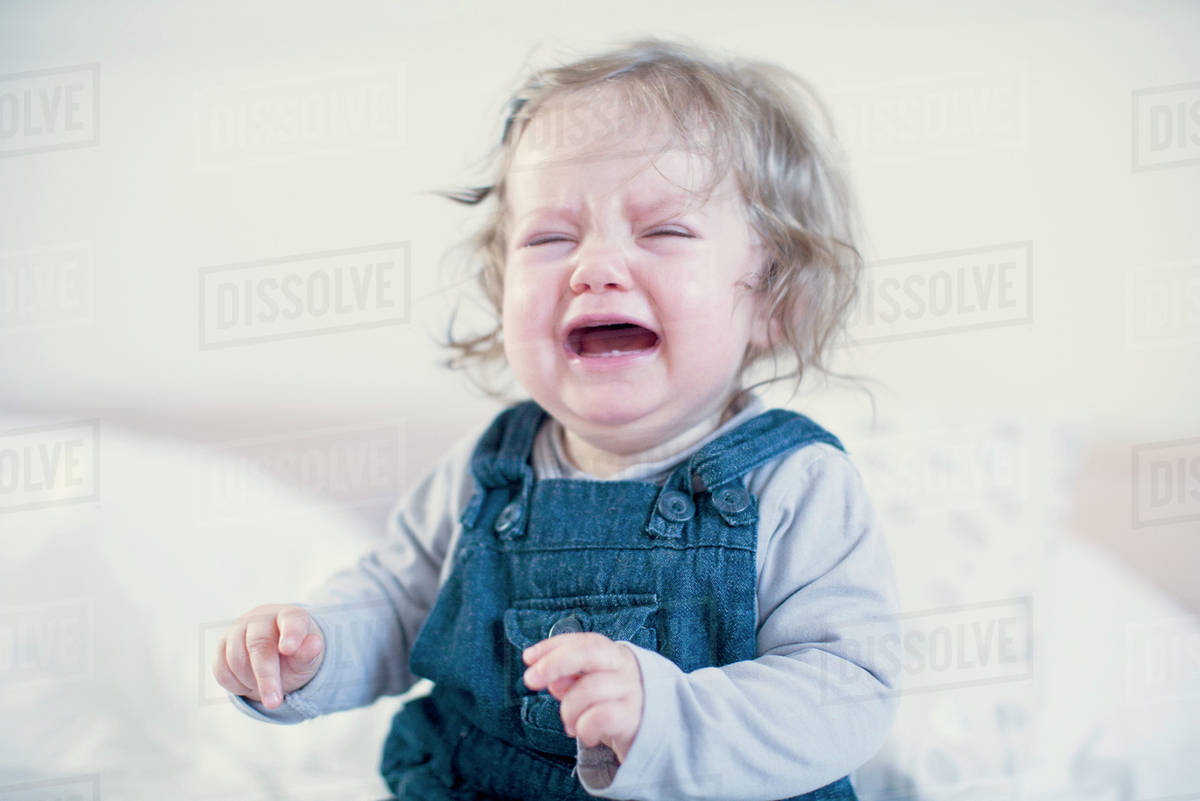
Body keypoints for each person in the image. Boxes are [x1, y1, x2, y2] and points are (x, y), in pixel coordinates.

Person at [212, 37, 901, 801]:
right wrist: (313, 650)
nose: (595, 266)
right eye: (549, 237)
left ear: (771, 296)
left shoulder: (798, 482)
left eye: (664, 231)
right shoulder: (490, 467)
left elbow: (845, 690)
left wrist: (667, 715)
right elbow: (399, 599)